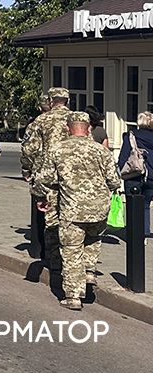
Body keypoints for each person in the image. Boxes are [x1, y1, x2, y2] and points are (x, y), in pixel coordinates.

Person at [33, 112, 122, 311]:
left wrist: (40, 197)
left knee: (71, 251)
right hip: (99, 209)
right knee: (92, 244)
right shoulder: (101, 151)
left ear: (67, 128)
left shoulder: (58, 150)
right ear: (89, 128)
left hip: (72, 211)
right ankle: (89, 273)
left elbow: (43, 179)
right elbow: (114, 181)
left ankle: (73, 295)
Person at [22, 87, 73, 270]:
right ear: (67, 101)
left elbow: (30, 149)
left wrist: (27, 169)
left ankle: (54, 260)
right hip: (71, 176)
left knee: (50, 219)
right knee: (72, 218)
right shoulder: (76, 119)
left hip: (48, 176)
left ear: (51, 101)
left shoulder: (41, 120)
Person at [116, 111, 153, 238]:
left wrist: (121, 170)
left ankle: (134, 234)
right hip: (151, 176)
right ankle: (145, 231)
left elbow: (124, 156)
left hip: (134, 174)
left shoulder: (132, 135)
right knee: (146, 204)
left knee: (132, 205)